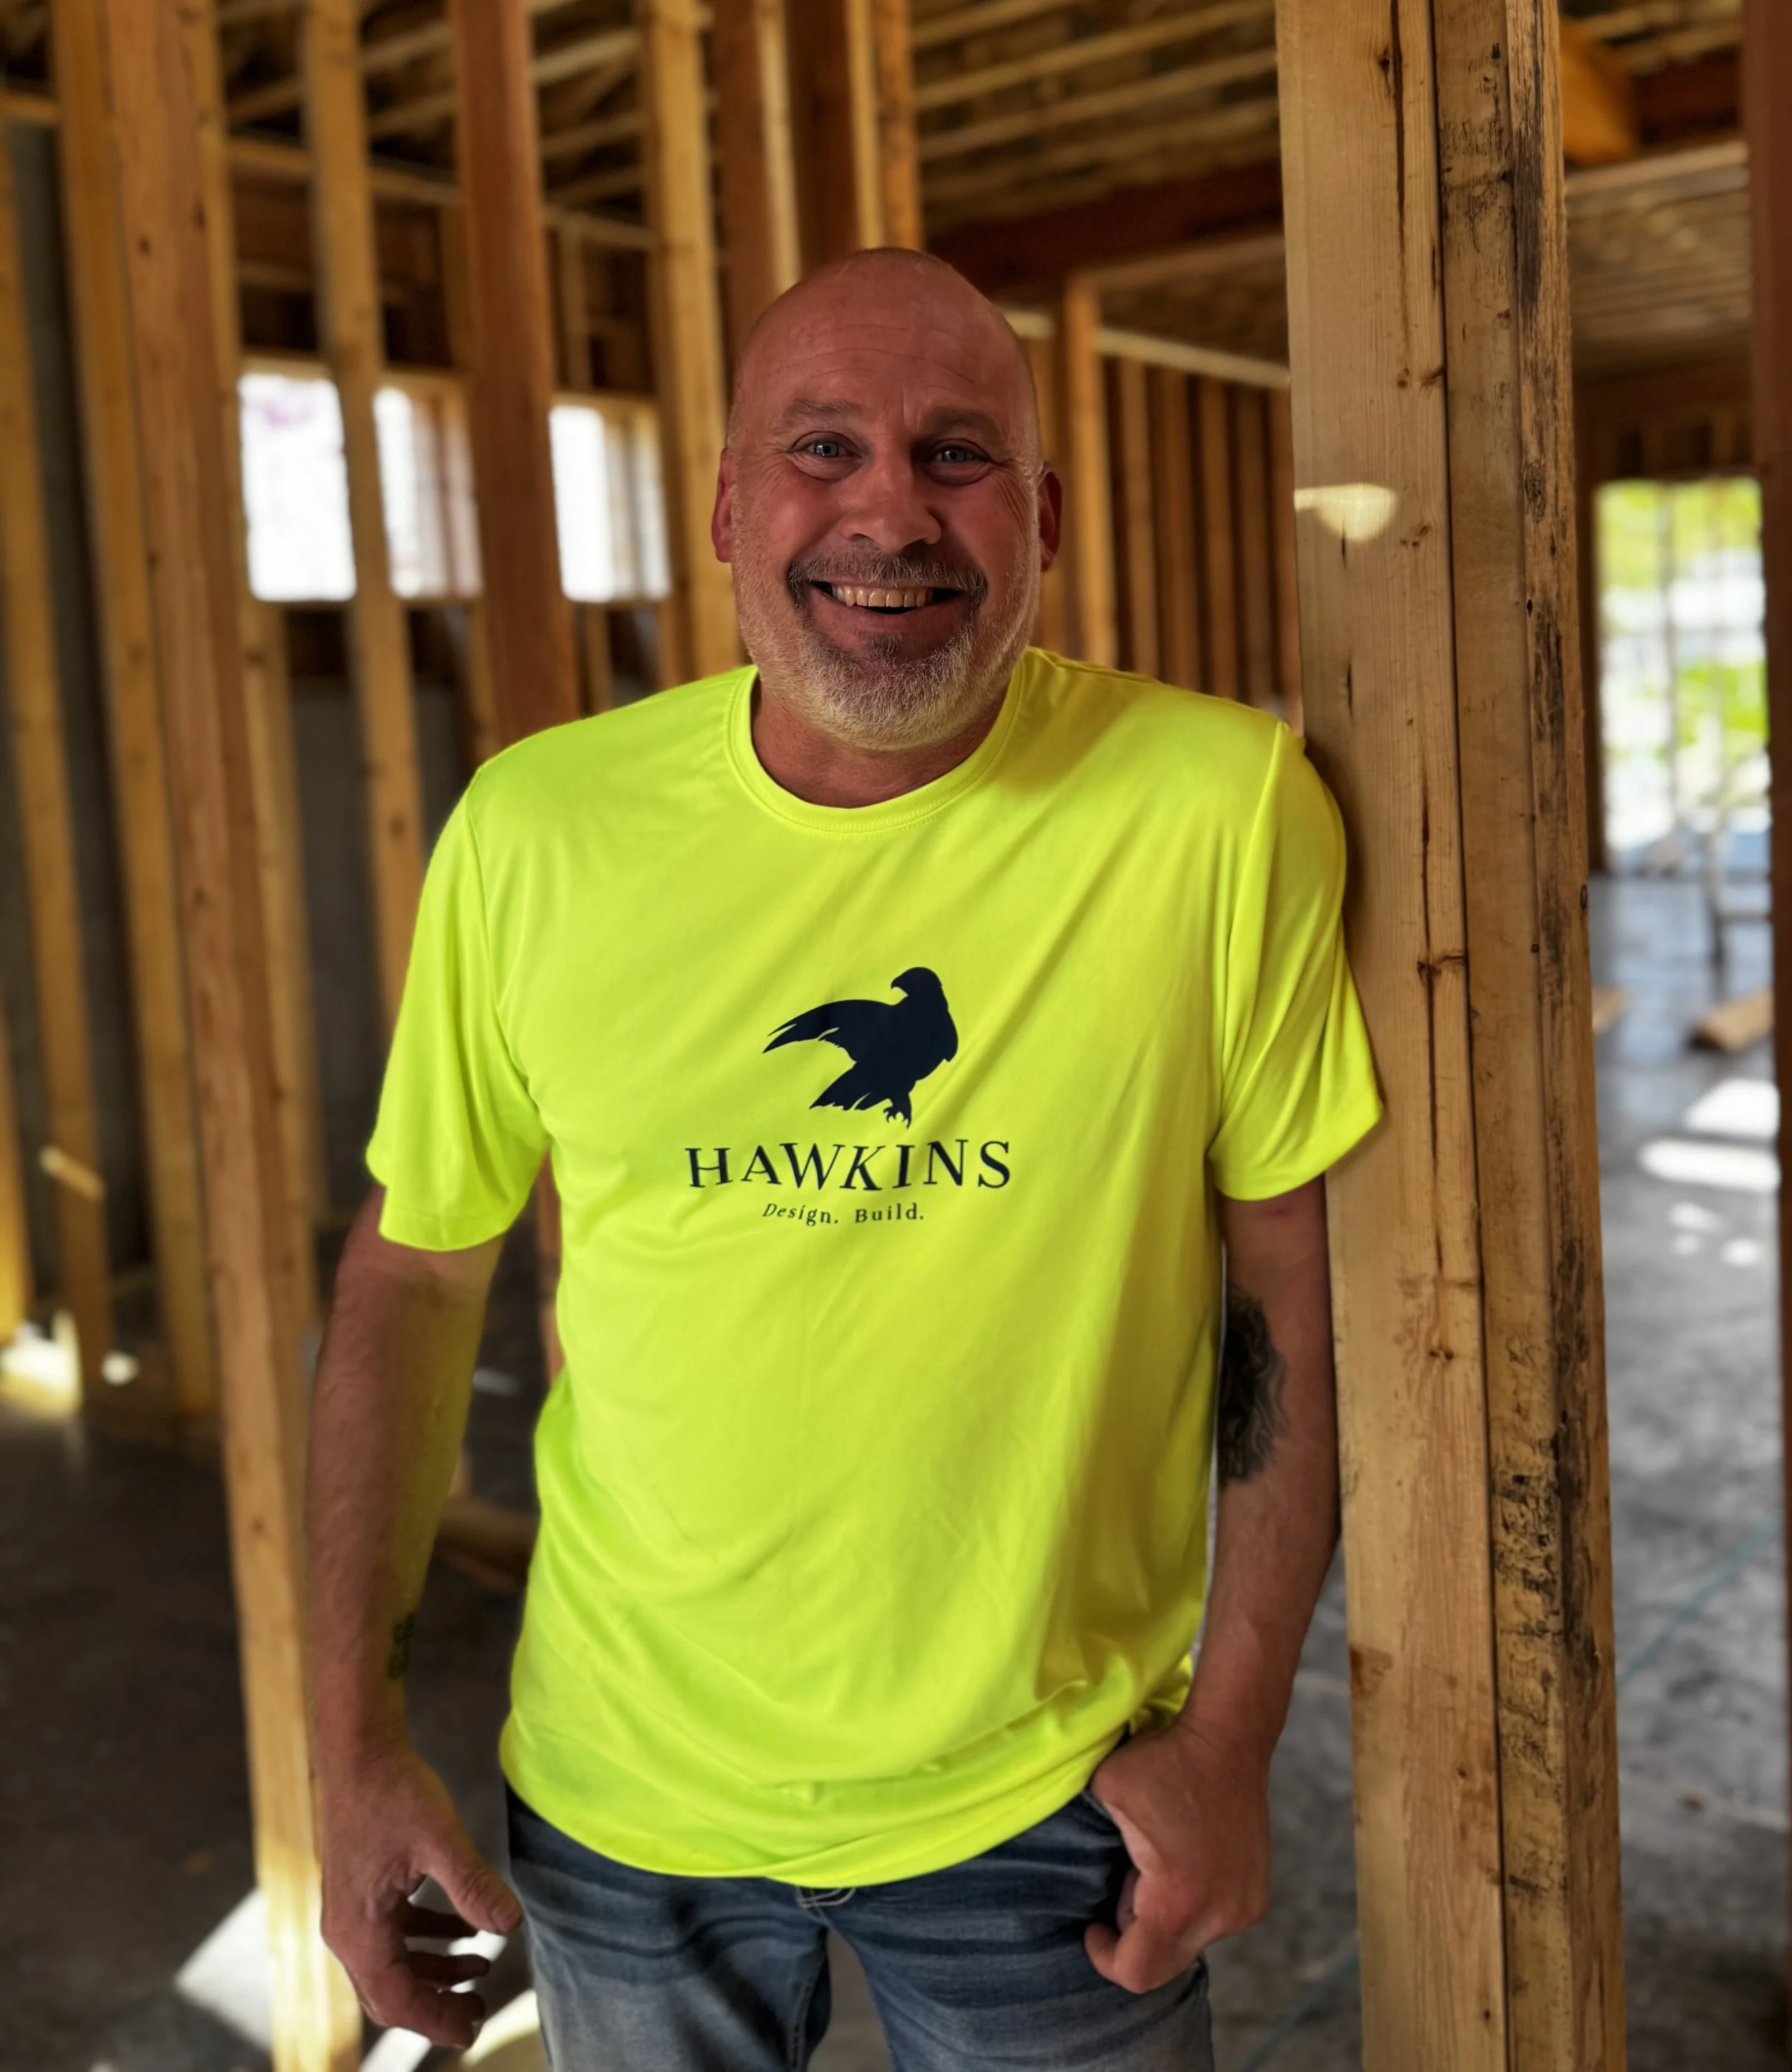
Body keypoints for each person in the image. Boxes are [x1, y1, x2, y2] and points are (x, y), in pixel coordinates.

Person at [308, 247, 1381, 2072]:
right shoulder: (534, 833)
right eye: (822, 446)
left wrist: (1231, 1730)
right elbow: (415, 1270)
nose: (889, 505)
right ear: (728, 508)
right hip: (621, 1804)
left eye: (955, 453)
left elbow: (1284, 1259)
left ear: (1038, 512)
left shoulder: (1214, 809)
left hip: (1053, 1807)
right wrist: (345, 1747)